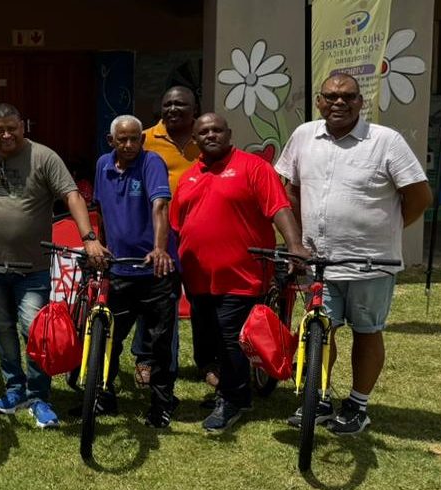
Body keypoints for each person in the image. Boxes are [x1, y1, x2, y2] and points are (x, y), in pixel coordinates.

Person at [274, 73, 433, 434]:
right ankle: (320, 397)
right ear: (319, 101)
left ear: (362, 102)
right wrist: (297, 242)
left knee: (366, 331)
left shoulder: (385, 141)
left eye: (348, 97)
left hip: (371, 263)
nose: (339, 103)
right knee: (318, 331)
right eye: (330, 97)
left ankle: (358, 405)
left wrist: (388, 230)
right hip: (319, 262)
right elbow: (292, 189)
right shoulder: (304, 136)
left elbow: (420, 196)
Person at [0, 103, 100, 429]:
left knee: (35, 332)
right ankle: (14, 389)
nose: (6, 135)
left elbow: (72, 195)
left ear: (23, 128)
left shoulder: (44, 157)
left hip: (31, 268)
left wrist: (88, 236)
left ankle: (39, 396)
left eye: (12, 129)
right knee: (2, 330)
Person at [170, 113, 307, 433]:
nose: (211, 135)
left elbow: (278, 208)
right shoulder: (188, 178)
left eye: (217, 130)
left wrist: (295, 244)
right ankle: (227, 388)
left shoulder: (254, 168)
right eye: (203, 132)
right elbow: (177, 227)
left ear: (229, 134)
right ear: (195, 139)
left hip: (242, 276)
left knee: (232, 337)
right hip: (199, 277)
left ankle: (235, 398)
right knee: (209, 338)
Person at [86, 115, 180, 428]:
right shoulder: (103, 164)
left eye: (135, 138)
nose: (129, 145)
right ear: (111, 141)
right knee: (109, 336)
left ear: (142, 139)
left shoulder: (151, 163)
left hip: (155, 269)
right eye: (122, 139)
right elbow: (99, 208)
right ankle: (102, 395)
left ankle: (161, 405)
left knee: (159, 342)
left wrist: (159, 248)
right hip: (120, 270)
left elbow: (160, 206)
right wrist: (98, 245)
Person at [139, 86, 201, 384]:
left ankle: (208, 361)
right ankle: (148, 359)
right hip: (158, 235)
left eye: (180, 104)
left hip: (199, 233)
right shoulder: (145, 139)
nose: (173, 109)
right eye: (167, 104)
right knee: (154, 301)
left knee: (203, 300)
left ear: (194, 109)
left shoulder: (206, 138)